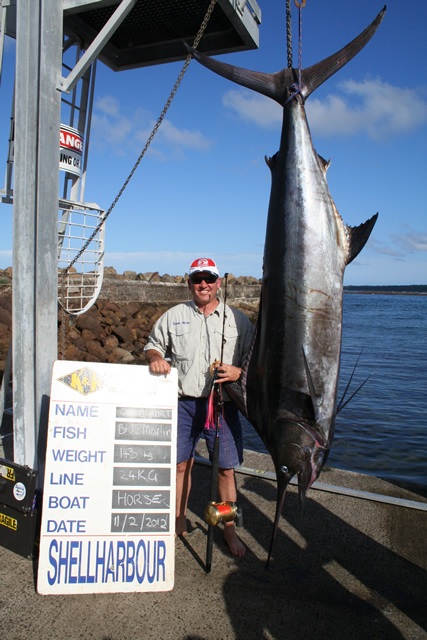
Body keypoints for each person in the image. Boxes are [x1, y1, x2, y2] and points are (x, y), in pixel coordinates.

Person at [144, 258, 254, 557]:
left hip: (222, 405)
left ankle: (229, 531)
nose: (203, 284)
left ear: (218, 283)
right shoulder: (173, 316)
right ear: (189, 282)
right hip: (183, 404)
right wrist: (155, 357)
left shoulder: (238, 320)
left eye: (209, 278)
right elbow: (153, 344)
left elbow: (255, 362)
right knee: (180, 465)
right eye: (197, 279)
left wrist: (239, 372)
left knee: (226, 472)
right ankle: (178, 522)